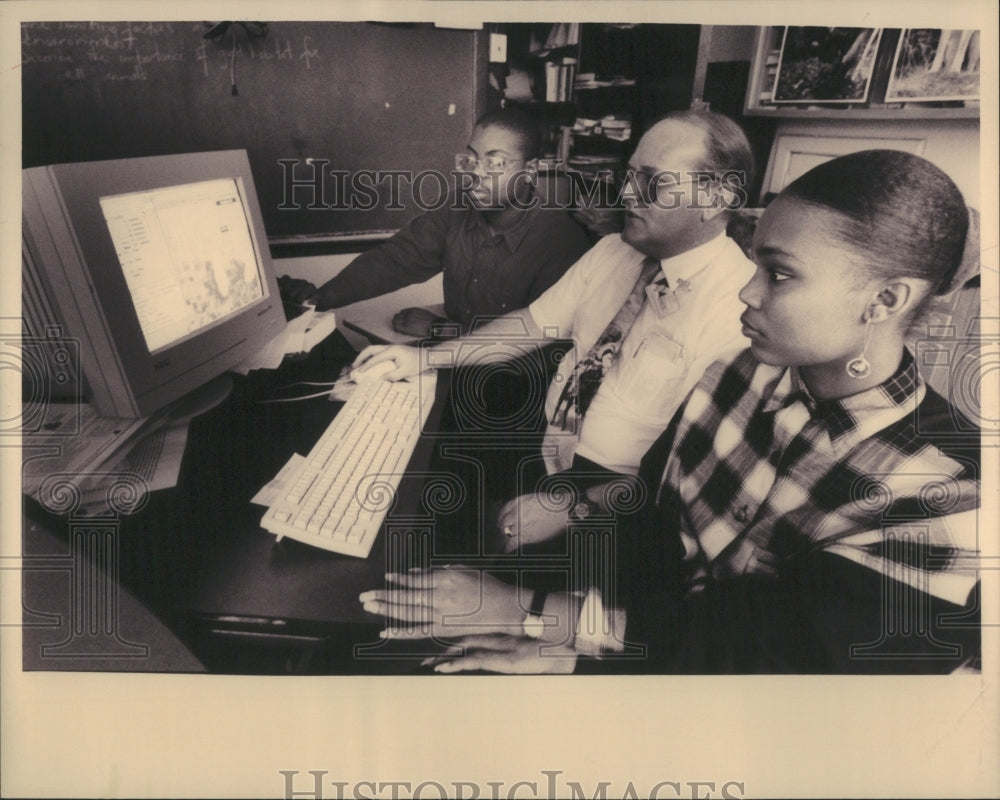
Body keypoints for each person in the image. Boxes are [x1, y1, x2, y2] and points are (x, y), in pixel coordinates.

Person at [358, 149, 981, 674]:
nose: (747, 290)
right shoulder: (737, 374)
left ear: (886, 299)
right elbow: (661, 534)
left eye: (780, 274)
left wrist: (535, 614)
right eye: (757, 261)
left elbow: (770, 659)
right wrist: (572, 644)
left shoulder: (952, 495)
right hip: (652, 649)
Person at [352, 109, 756, 490]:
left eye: (653, 182)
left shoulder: (741, 309)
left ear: (718, 199)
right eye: (628, 175)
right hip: (547, 450)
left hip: (615, 493)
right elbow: (531, 325)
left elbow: (689, 476)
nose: (627, 193)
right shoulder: (612, 252)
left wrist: (577, 506)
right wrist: (424, 358)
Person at [278, 107, 591, 338]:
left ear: (531, 169)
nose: (475, 175)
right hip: (449, 362)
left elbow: (532, 342)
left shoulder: (562, 243)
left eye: (495, 163)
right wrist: (321, 297)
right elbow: (396, 260)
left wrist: (439, 328)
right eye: (470, 160)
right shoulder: (458, 207)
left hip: (508, 390)